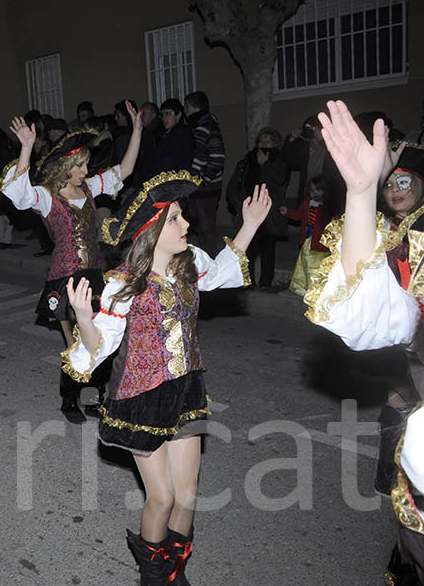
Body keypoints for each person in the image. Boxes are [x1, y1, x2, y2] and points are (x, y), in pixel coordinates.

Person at [62, 171, 268, 585]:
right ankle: (152, 576)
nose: (186, 225)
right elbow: (99, 346)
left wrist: (249, 226)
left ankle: (175, 571)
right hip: (141, 397)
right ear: (153, 231)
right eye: (175, 218)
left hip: (186, 389)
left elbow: (225, 273)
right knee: (163, 496)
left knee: (188, 494)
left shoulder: (190, 265)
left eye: (181, 217)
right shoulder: (125, 284)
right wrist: (84, 319)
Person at [302, 100, 424, 586]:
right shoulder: (411, 248)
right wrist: (359, 191)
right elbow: (366, 306)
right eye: (393, 183)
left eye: (404, 183)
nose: (397, 190)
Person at [4, 102, 142, 423]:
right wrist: (26, 147)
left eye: (86, 165)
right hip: (65, 280)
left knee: (102, 343)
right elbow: (17, 193)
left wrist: (136, 132)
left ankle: (94, 397)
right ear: (65, 167)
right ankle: (70, 398)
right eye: (80, 166)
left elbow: (126, 170)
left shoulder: (90, 189)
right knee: (76, 344)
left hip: (96, 278)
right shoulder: (47, 196)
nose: (85, 171)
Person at [226, 127, 289, 290]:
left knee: (268, 248)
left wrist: (265, 164)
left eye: (268, 141)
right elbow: (235, 182)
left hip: (269, 213)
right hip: (250, 210)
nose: (263, 144)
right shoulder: (248, 159)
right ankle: (249, 282)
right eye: (261, 141)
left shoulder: (279, 161)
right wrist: (239, 204)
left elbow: (277, 180)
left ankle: (265, 283)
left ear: (275, 143)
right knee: (249, 248)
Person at [184, 91, 226, 255]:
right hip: (196, 187)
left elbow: (217, 158)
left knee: (207, 229)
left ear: (194, 106)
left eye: (186, 106)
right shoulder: (196, 126)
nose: (185, 110)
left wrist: (201, 180)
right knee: (200, 229)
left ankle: (212, 266)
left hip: (206, 189)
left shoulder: (208, 126)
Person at [279, 175, 333, 297]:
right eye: (312, 190)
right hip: (307, 239)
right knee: (306, 265)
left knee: (318, 268)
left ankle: (318, 290)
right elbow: (298, 215)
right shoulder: (307, 204)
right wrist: (287, 212)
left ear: (324, 190)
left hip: (321, 244)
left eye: (318, 190)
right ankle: (307, 288)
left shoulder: (327, 207)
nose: (315, 193)